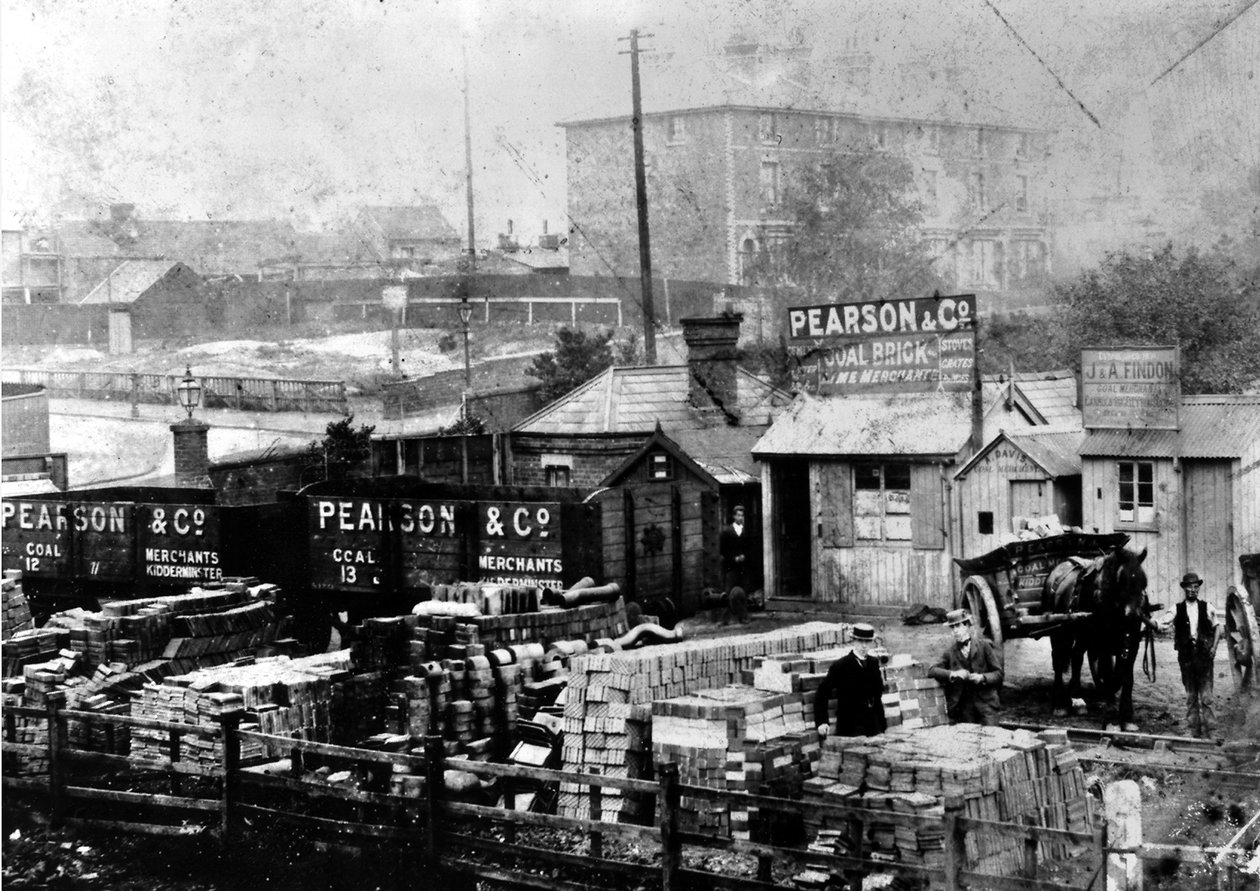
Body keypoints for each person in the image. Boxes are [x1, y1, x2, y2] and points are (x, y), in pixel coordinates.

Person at [928, 609, 1004, 725]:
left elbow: (998, 674)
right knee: (967, 734)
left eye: (958, 626)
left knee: (992, 733)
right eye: (952, 627)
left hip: (986, 703)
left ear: (967, 625)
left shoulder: (984, 646)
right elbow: (932, 670)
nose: (955, 631)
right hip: (964, 707)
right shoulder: (950, 652)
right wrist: (953, 674)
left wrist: (982, 678)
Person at [814, 623, 887, 739]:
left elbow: (877, 695)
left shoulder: (873, 663)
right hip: (850, 726)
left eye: (867, 642)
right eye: (860, 641)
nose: (864, 646)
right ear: (853, 641)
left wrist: (882, 726)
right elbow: (822, 693)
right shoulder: (841, 665)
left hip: (873, 725)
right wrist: (822, 722)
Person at [1173, 571, 1219, 738]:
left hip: (1204, 656)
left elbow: (1217, 627)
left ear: (1198, 588)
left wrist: (1214, 648)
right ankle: (1194, 730)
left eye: (1195, 587)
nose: (1193, 590)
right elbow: (1162, 623)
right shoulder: (1177, 609)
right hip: (1186, 658)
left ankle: (1211, 730)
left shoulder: (1207, 607)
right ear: (1184, 589)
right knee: (1191, 695)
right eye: (1189, 587)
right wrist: (1147, 621)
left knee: (1207, 696)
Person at [719, 505, 751, 623]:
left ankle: (743, 617)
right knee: (728, 591)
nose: (740, 518)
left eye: (742, 515)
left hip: (743, 567)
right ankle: (725, 619)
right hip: (731, 567)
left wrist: (744, 556)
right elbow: (723, 551)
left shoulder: (746, 532)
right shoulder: (727, 532)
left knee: (743, 591)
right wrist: (734, 558)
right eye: (738, 515)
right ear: (734, 516)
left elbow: (750, 548)